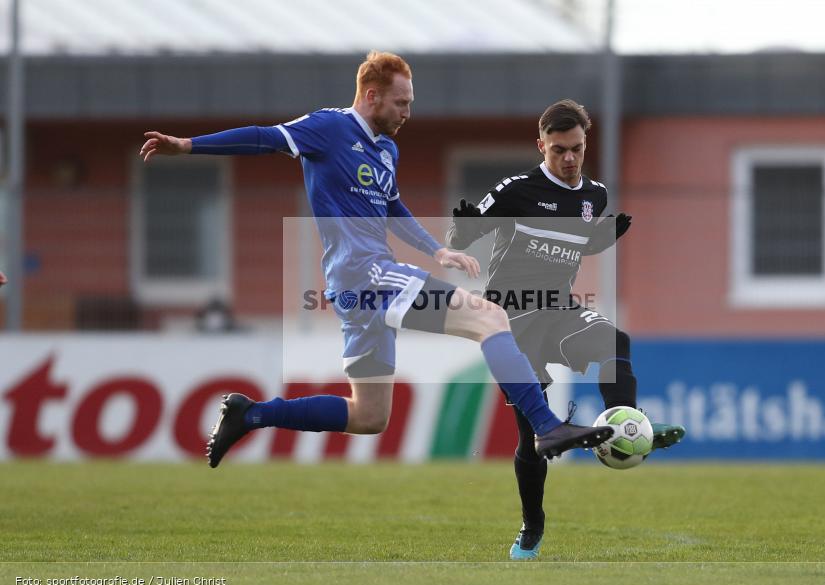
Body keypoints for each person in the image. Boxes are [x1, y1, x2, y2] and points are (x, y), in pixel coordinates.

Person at [139, 52, 615, 471]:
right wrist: (189, 146)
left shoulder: (386, 148)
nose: (408, 112)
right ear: (371, 95)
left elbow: (392, 208)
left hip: (356, 287)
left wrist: (437, 250)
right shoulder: (329, 128)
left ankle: (251, 414)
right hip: (365, 274)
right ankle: (547, 425)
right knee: (490, 316)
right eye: (401, 102)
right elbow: (264, 137)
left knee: (368, 416)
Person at [446, 99, 686, 561]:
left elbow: (576, 241)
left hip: (558, 310)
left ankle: (629, 423)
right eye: (559, 150)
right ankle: (531, 525)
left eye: (576, 148)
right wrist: (462, 229)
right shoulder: (516, 189)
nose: (570, 158)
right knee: (533, 437)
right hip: (510, 320)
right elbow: (464, 238)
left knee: (615, 341)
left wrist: (603, 236)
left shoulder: (594, 196)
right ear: (542, 146)